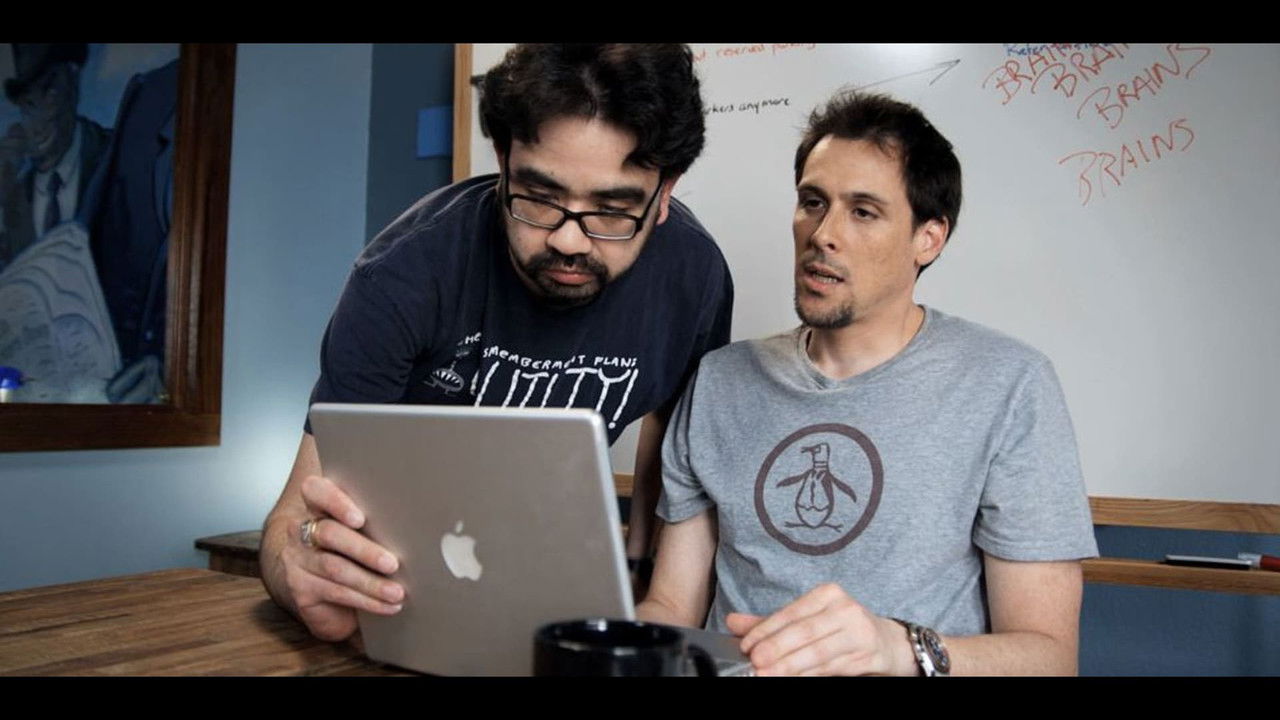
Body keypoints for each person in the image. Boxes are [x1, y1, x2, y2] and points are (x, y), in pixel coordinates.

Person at [260, 44, 733, 642]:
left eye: (612, 211)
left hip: (563, 575)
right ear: (504, 160)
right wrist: (297, 569)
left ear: (664, 194)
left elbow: (673, 432)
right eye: (540, 198)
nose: (567, 241)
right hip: (404, 587)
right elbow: (294, 518)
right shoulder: (404, 274)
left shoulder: (696, 279)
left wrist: (641, 574)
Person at [636, 91, 1098, 676]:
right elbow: (672, 607)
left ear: (928, 238)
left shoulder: (1008, 385)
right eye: (813, 202)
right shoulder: (720, 381)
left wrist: (896, 648)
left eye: (863, 212)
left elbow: (1050, 658)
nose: (823, 234)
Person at [0, 43, 110, 270]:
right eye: (28, 103)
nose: (38, 118)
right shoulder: (15, 195)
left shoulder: (115, 156)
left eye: (49, 93)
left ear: (73, 83)